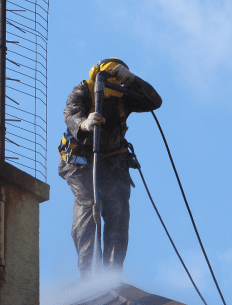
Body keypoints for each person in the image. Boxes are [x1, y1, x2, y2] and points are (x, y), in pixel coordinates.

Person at [57, 58, 162, 277]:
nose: (107, 97)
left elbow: (154, 102)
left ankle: (111, 277)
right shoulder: (82, 91)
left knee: (119, 211)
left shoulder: (124, 94)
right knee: (89, 205)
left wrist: (134, 81)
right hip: (80, 162)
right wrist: (84, 123)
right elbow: (70, 113)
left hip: (113, 162)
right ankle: (89, 276)